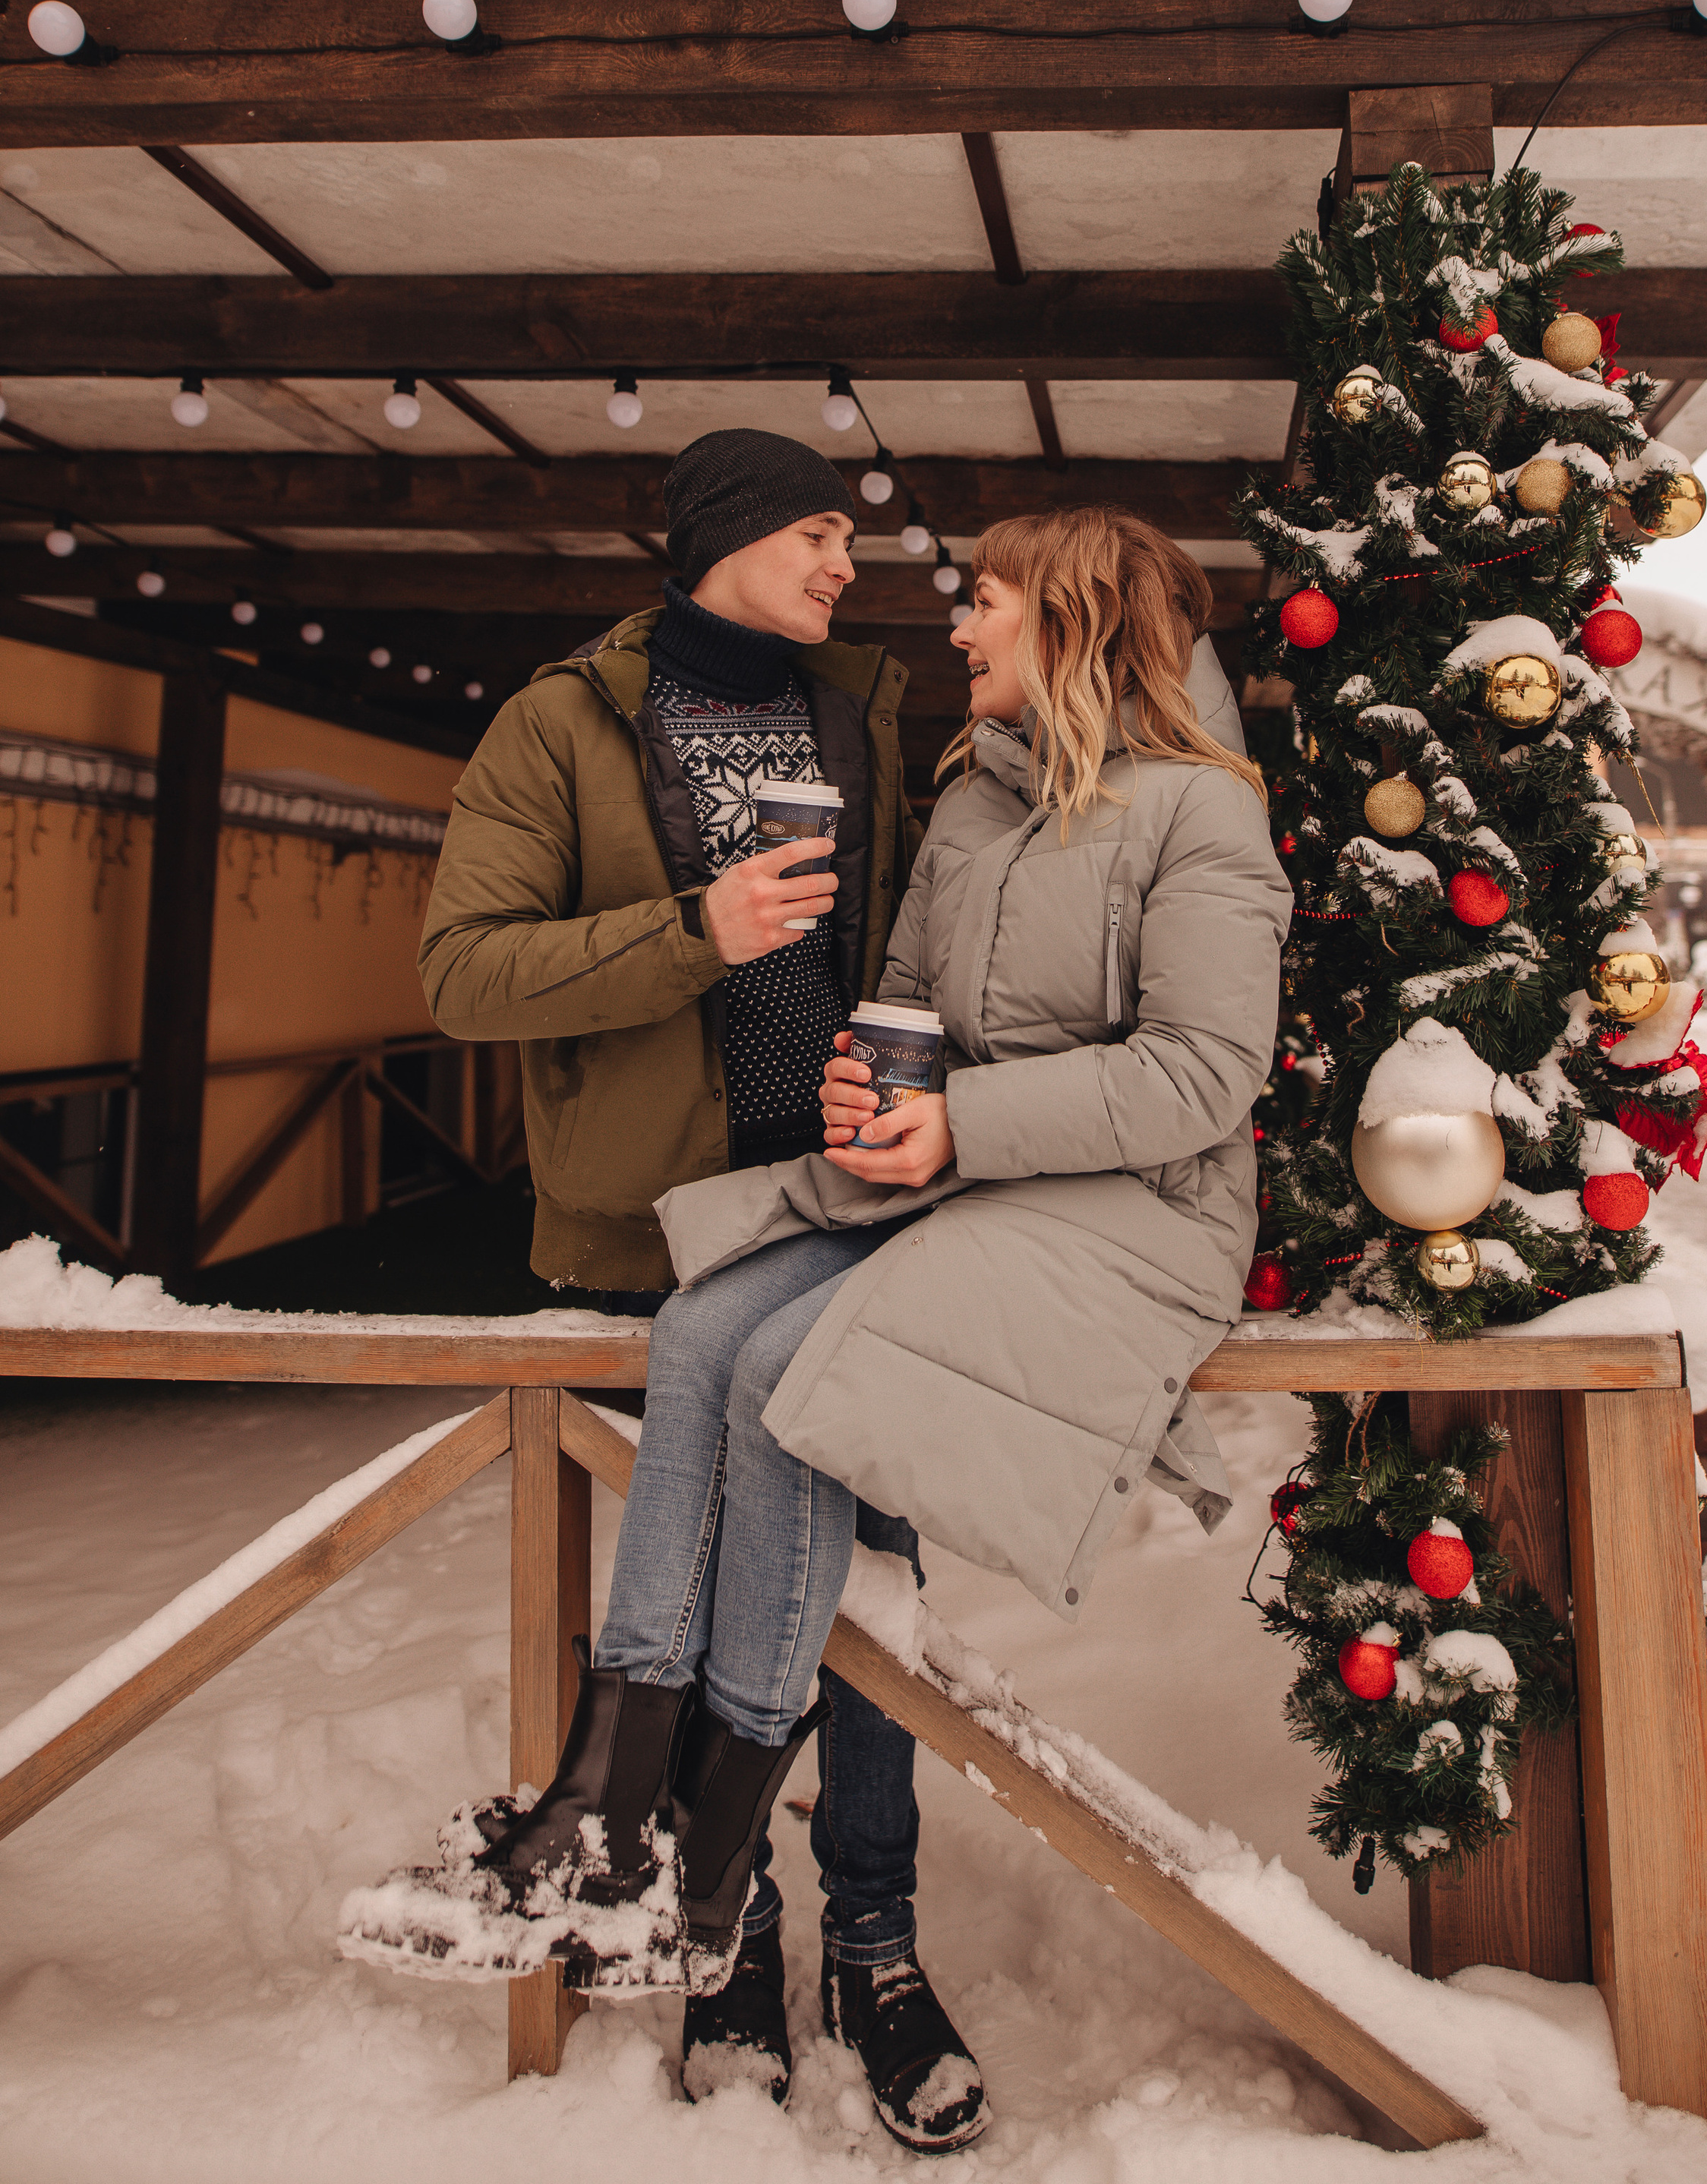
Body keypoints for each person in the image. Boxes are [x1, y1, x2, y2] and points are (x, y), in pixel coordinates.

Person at [437, 505, 1292, 2152]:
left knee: (781, 1375)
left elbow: (1203, 1080)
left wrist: (961, 1124)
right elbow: (903, 1005)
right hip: (966, 1174)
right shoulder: (973, 798)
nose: (949, 622)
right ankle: (614, 1818)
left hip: (1130, 1209)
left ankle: (728, 1859)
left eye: (979, 599)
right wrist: (868, 1080)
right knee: (702, 1337)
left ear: (1069, 618)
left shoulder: (1200, 814)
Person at [409, 428, 979, 2127]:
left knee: (869, 1591)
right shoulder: (560, 722)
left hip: (848, 1222)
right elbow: (460, 973)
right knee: (698, 1575)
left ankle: (871, 1937)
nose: (843, 570)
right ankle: (714, 1932)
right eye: (816, 534)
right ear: (722, 536)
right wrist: (691, 933)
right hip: (646, 1241)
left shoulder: (866, 711)